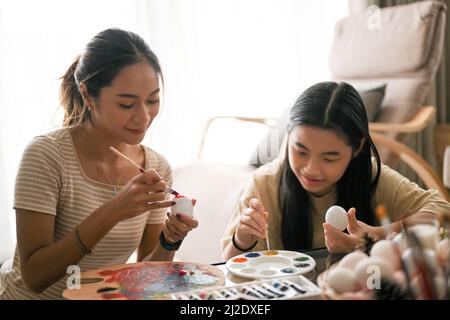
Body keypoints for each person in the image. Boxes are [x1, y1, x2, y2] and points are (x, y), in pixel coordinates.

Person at [0, 28, 198, 299]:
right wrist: (113, 211)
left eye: (152, 100)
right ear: (88, 95)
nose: (144, 116)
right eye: (127, 104)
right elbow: (35, 277)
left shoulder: (156, 166)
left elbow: (144, 278)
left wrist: (169, 238)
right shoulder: (46, 155)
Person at [222, 81, 450, 259]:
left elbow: (442, 211)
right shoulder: (264, 183)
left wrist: (376, 235)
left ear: (358, 146)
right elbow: (231, 267)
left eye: (330, 158)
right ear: (288, 136)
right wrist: (243, 240)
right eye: (300, 151)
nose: (311, 169)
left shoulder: (371, 176)